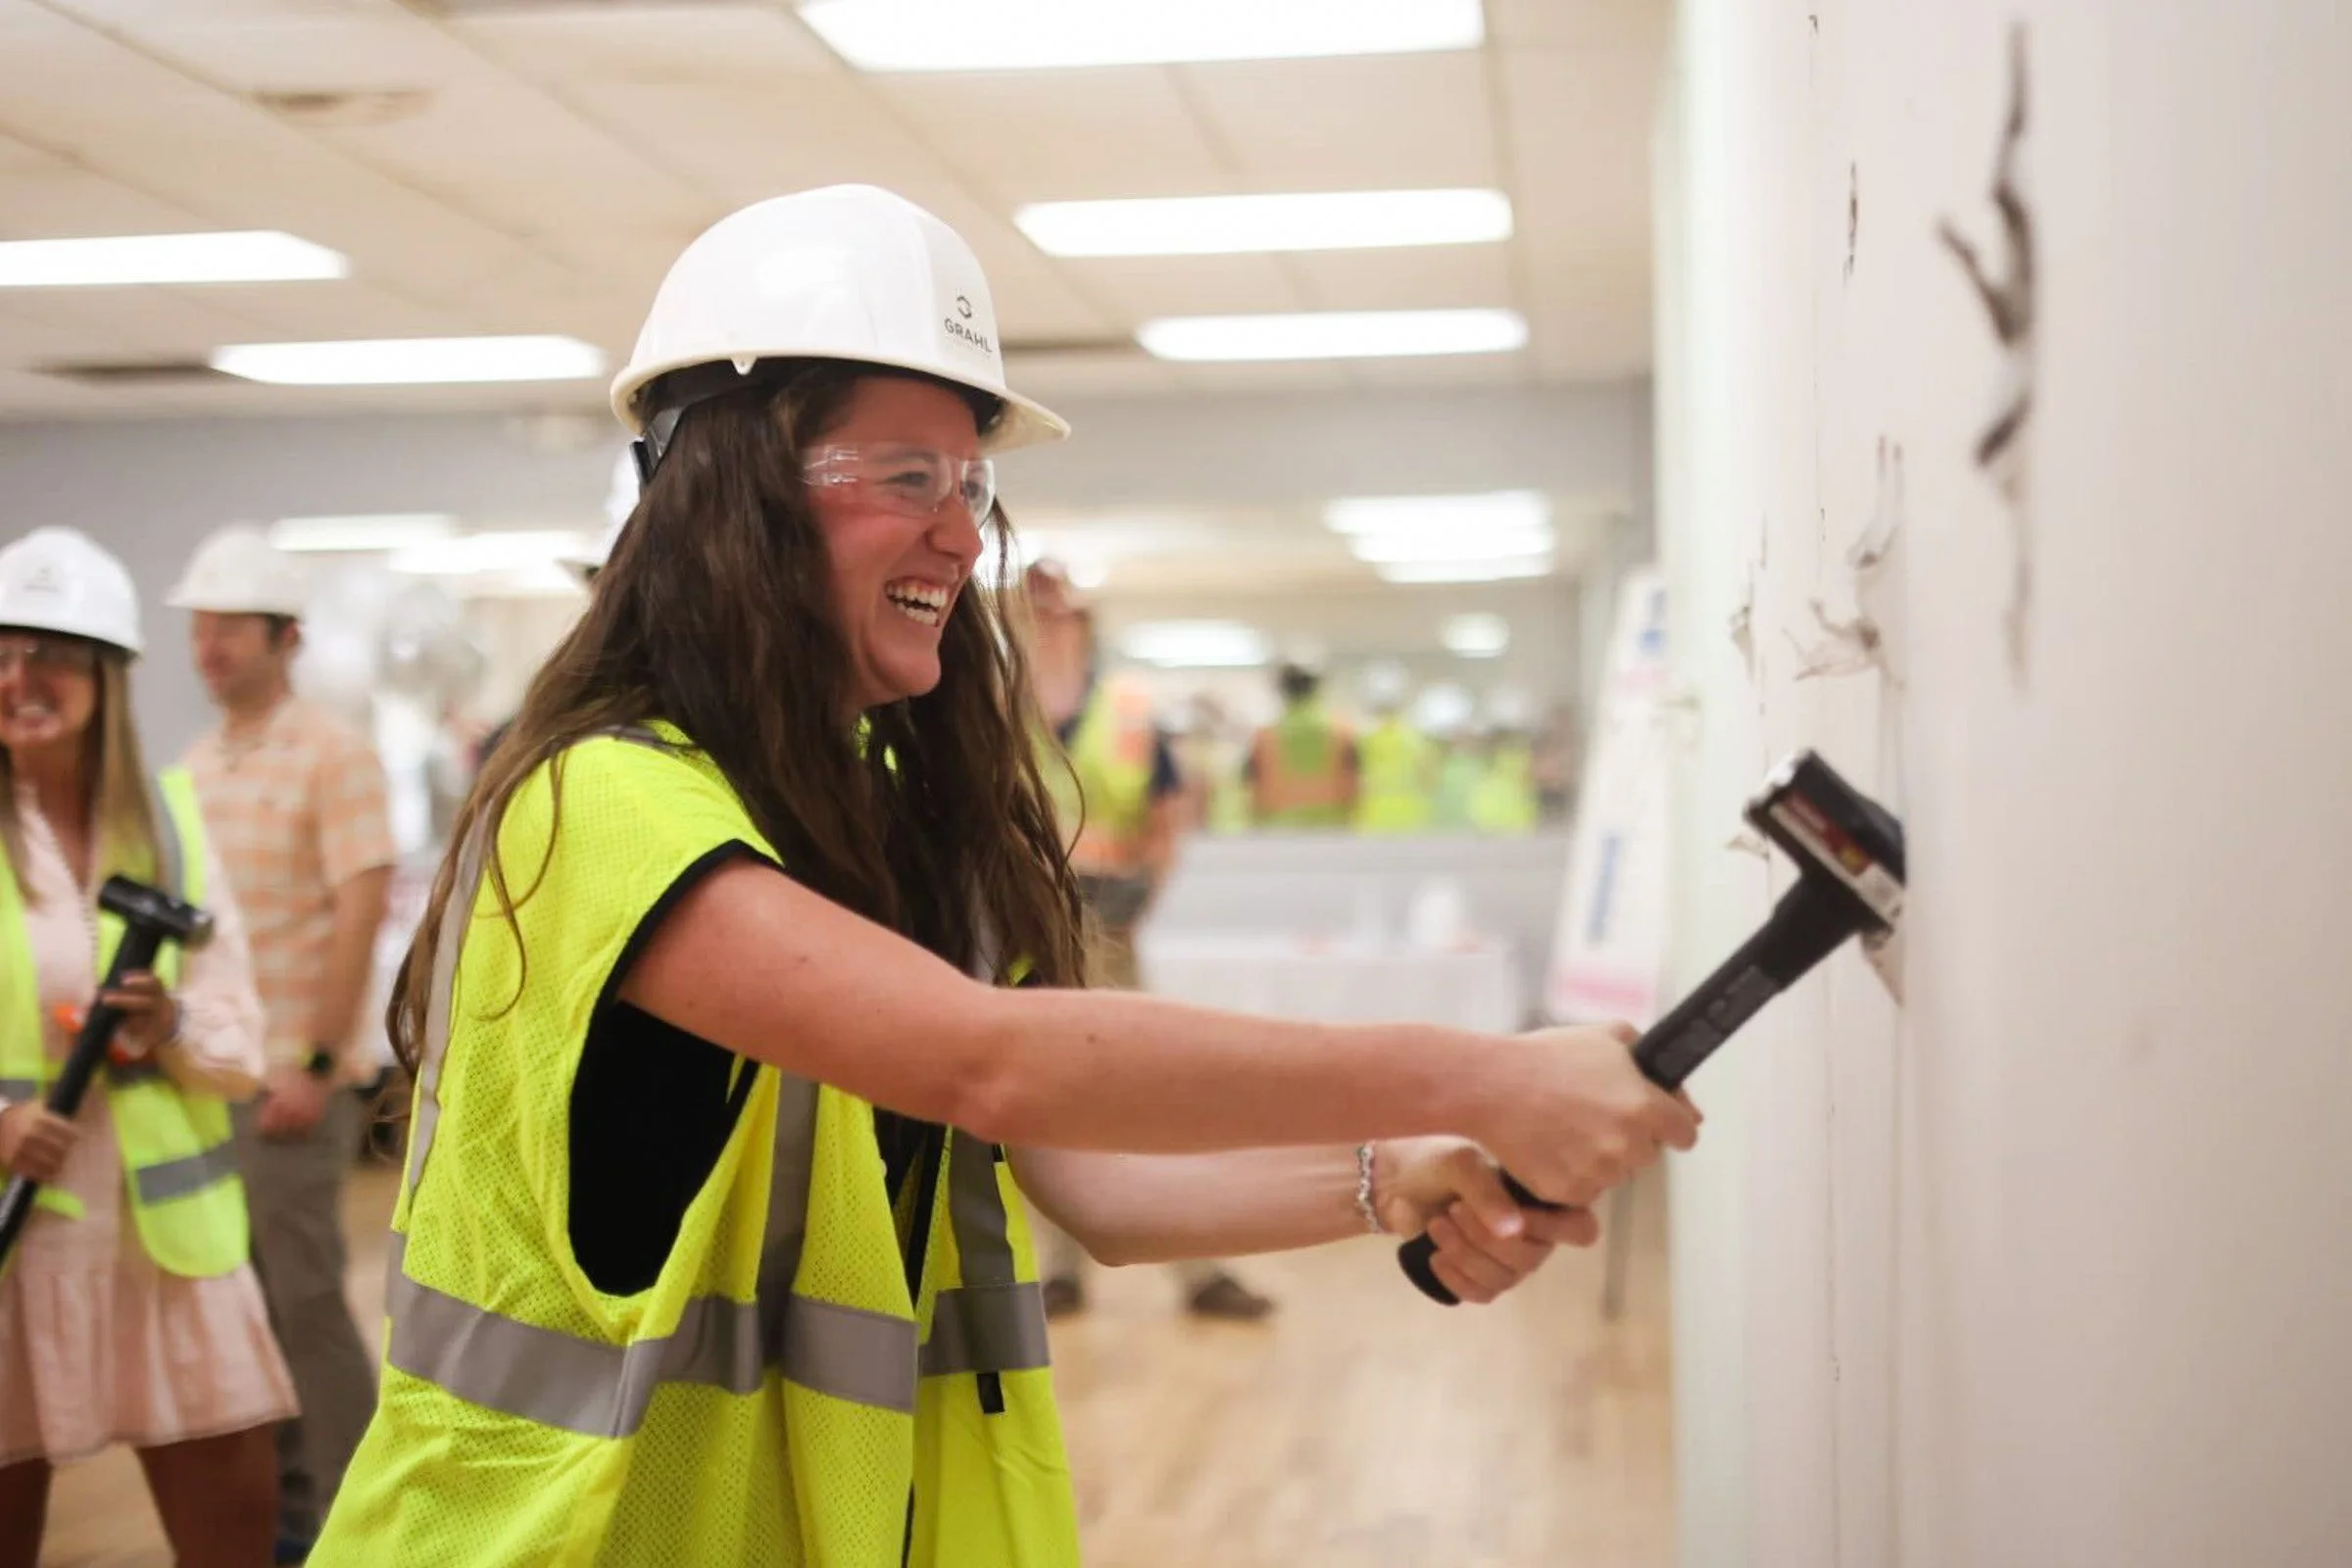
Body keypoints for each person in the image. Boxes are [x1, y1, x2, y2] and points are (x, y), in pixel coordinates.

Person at [311, 184, 1696, 1566]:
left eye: (971, 485)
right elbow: (991, 1063)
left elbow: (1087, 1180)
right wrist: (1482, 1073)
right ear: (733, 497)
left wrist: (1383, 1178)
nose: (967, 538)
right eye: (907, 479)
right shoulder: (603, 797)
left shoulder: (890, 805)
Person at [0, 526, 292, 1568]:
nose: (19, 677)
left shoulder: (169, 824)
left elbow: (239, 1047)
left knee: (232, 1530)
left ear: (107, 675)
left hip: (169, 1254)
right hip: (16, 1241)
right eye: (1, 650)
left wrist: (167, 1026)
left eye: (52, 652)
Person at [170, 524, 396, 1563]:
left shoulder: (333, 755)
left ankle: (359, 1518)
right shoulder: (190, 768)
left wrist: (312, 1058)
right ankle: (289, 1516)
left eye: (231, 628)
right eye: (200, 627)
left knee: (305, 1303)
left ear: (286, 637)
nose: (209, 646)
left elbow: (358, 911)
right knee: (243, 1312)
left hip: (294, 1081)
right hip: (203, 1080)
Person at [1018, 559, 1274, 1322]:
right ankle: (1059, 1269)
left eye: (1060, 609)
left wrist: (1140, 900)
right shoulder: (990, 709)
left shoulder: (1128, 711)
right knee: (1042, 1101)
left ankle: (1200, 1270)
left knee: (1145, 1090)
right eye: (1033, 608)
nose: (1046, 621)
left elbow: (1167, 818)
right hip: (1024, 925)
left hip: (1108, 922)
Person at [1246, 660, 1357, 827]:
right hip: (1333, 825)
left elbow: (1251, 783)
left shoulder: (1265, 737)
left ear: (1283, 690)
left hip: (1278, 827)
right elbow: (1355, 777)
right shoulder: (1342, 732)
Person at [1352, 662, 1437, 835]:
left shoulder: (1363, 738)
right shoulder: (1417, 737)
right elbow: (1429, 780)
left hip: (1372, 820)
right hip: (1413, 820)